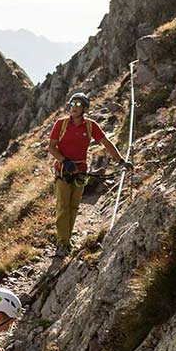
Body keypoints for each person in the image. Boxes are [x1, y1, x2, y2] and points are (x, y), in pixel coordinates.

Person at [48, 92, 133, 257]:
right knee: (63, 207)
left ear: (85, 108)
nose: (74, 107)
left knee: (73, 207)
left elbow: (106, 143)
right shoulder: (61, 124)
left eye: (78, 105)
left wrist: (121, 161)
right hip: (63, 171)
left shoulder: (90, 126)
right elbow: (51, 147)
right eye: (72, 104)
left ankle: (67, 241)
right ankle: (62, 244)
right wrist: (65, 161)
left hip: (81, 171)